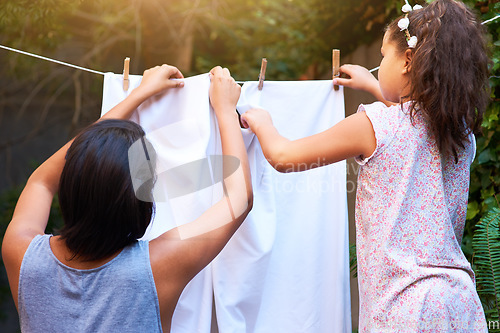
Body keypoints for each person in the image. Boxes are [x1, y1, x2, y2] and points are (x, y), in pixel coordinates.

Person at [241, 0, 489, 331]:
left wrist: (262, 121)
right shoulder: (460, 134)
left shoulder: (374, 125)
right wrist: (374, 85)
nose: (380, 62)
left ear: (409, 60)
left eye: (384, 55)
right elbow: (417, 123)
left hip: (404, 306)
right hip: (460, 303)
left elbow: (284, 157)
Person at [2, 64, 252, 332]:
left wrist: (137, 95)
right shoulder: (157, 266)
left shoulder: (22, 254)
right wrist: (225, 110)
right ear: (141, 202)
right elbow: (240, 198)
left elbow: (42, 180)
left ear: (70, 184)